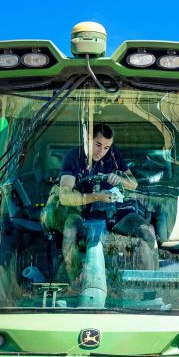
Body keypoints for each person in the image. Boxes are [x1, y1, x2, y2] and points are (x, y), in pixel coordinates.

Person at [58, 124, 158, 298]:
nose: (101, 151)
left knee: (147, 231)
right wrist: (96, 196)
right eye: (98, 145)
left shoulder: (113, 155)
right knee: (69, 229)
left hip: (114, 213)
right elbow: (65, 196)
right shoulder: (73, 157)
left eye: (106, 147)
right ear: (87, 139)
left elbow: (133, 183)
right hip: (84, 214)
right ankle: (74, 286)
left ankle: (150, 294)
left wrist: (120, 178)